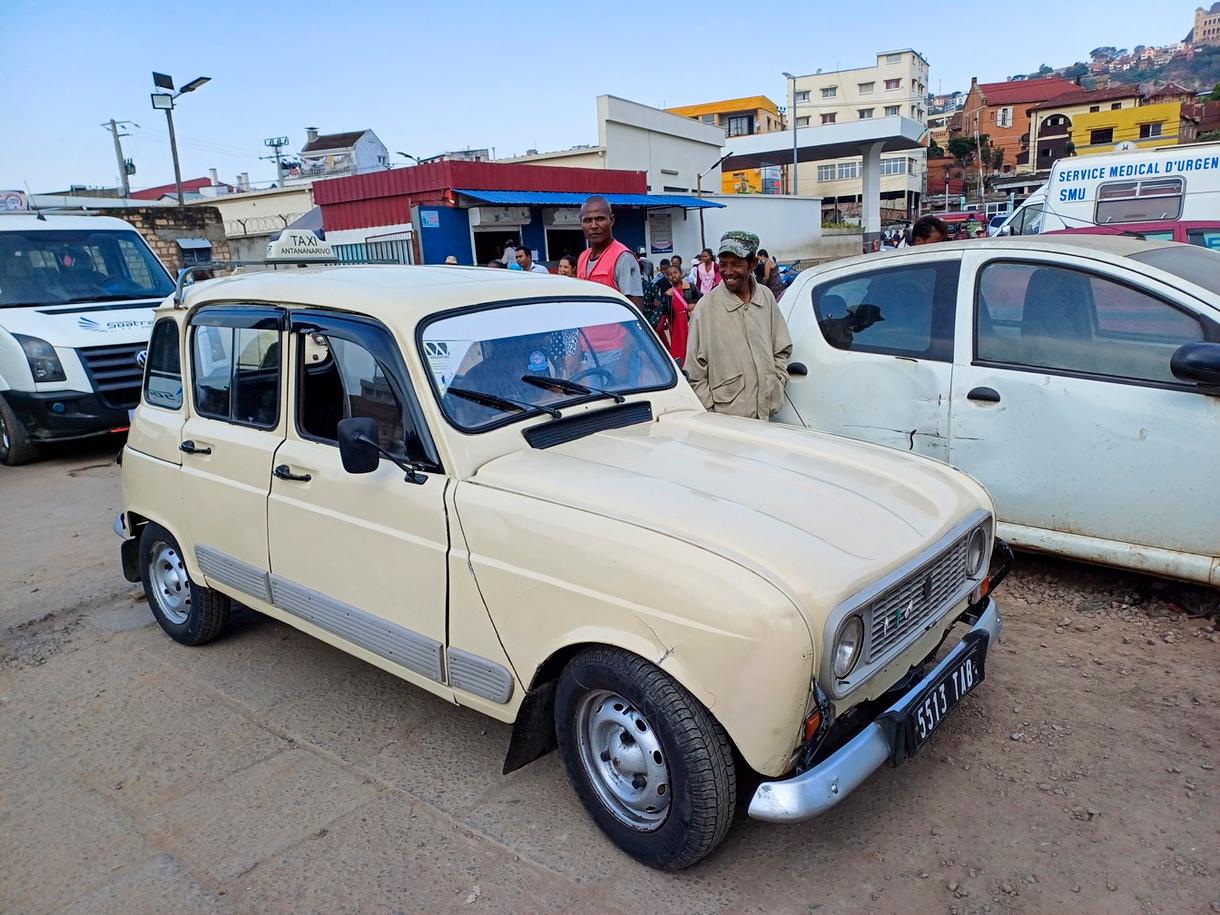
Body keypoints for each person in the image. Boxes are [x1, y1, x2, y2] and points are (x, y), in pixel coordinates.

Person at [685, 230, 792, 420]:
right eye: (723, 264)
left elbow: (782, 348)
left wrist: (776, 382)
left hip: (766, 414)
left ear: (752, 264)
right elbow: (694, 373)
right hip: (728, 423)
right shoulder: (706, 308)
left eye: (736, 264)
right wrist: (712, 414)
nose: (728, 271)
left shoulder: (766, 297)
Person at [656, 262, 696, 367]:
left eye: (675, 272)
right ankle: (681, 365)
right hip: (676, 322)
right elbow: (664, 309)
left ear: (681, 273)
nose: (673, 275)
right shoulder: (668, 293)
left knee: (691, 341)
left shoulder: (690, 287)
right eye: (670, 274)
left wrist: (694, 304)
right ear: (667, 278)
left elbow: (700, 298)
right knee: (679, 344)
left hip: (689, 320)